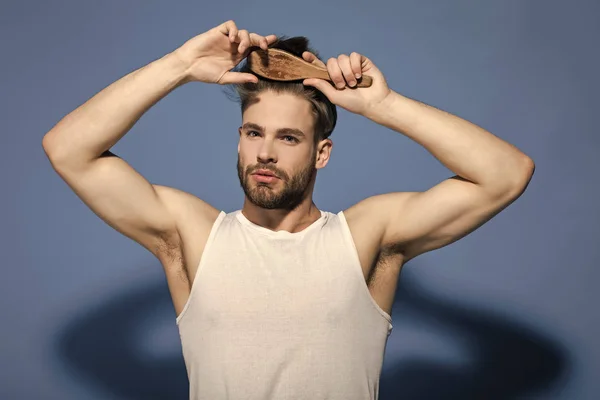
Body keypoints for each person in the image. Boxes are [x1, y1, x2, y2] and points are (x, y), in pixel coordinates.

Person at [42, 20, 534, 400]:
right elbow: (68, 149)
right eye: (254, 133)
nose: (265, 153)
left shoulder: (367, 236)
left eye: (289, 137)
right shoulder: (191, 235)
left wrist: (383, 105)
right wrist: (179, 65)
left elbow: (506, 173)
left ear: (322, 153)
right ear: (239, 141)